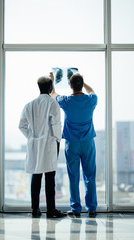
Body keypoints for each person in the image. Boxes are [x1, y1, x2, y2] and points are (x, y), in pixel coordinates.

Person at [19, 76, 67, 218]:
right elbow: (56, 125)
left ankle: (35, 209)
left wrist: (32, 138)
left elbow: (21, 126)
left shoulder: (29, 105)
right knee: (50, 178)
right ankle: (51, 210)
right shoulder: (53, 104)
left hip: (34, 145)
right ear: (50, 87)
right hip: (50, 143)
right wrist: (57, 139)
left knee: (36, 176)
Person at [50, 72, 98, 217]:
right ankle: (91, 208)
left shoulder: (66, 101)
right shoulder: (91, 100)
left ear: (70, 86)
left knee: (73, 176)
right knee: (90, 176)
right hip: (88, 143)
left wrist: (52, 81)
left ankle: (76, 209)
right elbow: (92, 91)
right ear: (81, 85)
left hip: (72, 144)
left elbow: (53, 94)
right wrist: (83, 83)